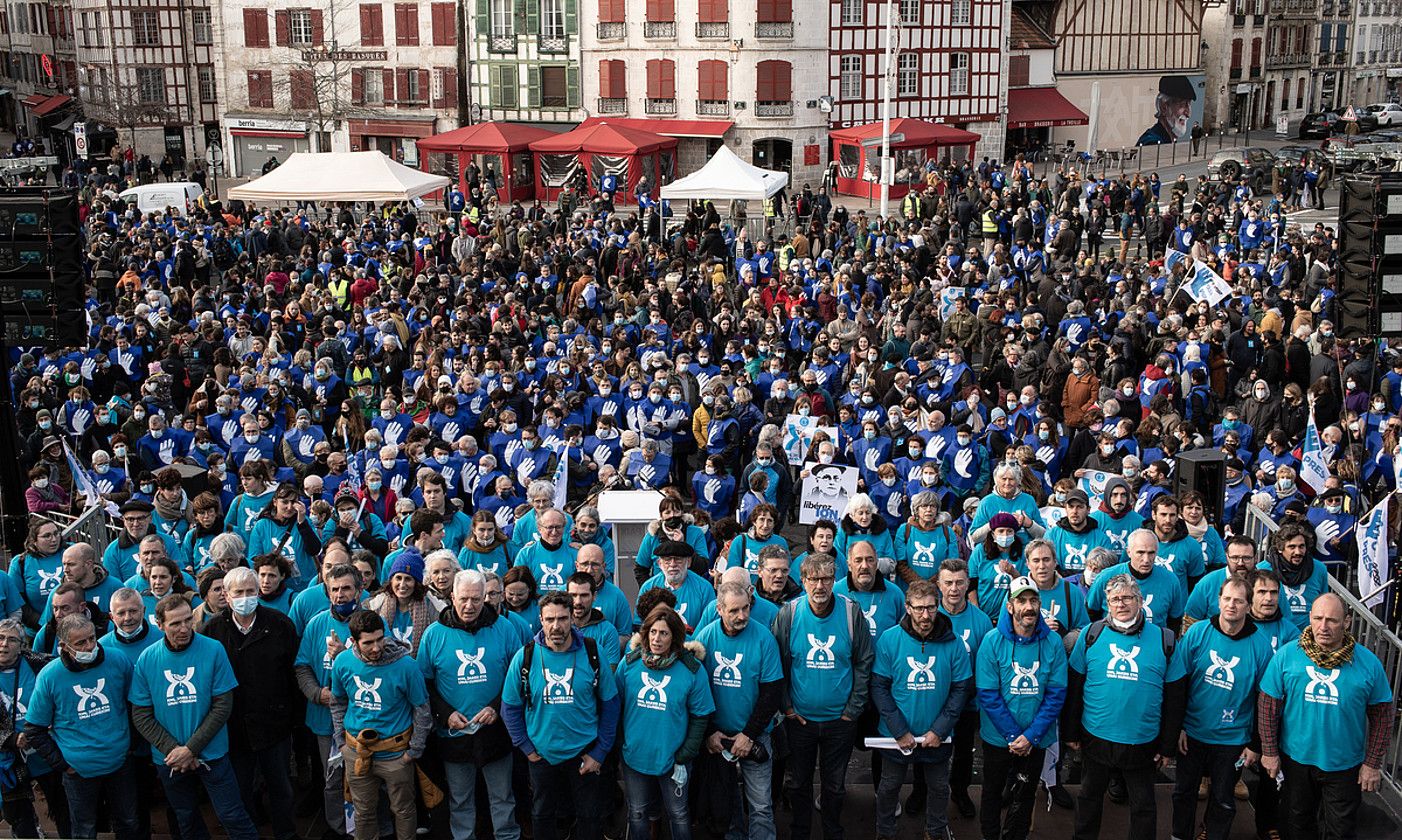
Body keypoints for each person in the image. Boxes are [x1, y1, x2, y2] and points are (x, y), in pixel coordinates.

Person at [1257, 593, 1395, 840]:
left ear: (1347, 622)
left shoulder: (1368, 663)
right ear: (1309, 617)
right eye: (1318, 618)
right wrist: (1269, 752)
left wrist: (1372, 763)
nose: (1323, 626)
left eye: (1332, 620)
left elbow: (1383, 716)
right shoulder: (1288, 655)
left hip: (1345, 765)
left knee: (1341, 830)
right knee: (1297, 824)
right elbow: (1268, 708)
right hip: (1296, 760)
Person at [1064, 574, 1186, 840]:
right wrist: (1070, 732)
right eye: (1115, 599)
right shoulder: (1090, 635)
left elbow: (1176, 697)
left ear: (1140, 601)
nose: (1121, 604)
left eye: (1128, 597)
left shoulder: (1165, 640)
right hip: (1096, 736)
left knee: (1143, 805)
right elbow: (1074, 687)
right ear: (1107, 603)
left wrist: (1167, 745)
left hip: (1142, 741)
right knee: (1088, 796)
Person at [129, 595, 257, 840]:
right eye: (175, 623)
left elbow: (223, 705)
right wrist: (175, 750)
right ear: (160, 624)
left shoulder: (213, 649)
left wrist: (191, 748)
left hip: (213, 754)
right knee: (186, 818)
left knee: (232, 815)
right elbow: (141, 714)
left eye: (188, 620)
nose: (185, 628)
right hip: (170, 759)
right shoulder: (147, 659)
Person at [501, 590, 621, 840]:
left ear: (571, 619)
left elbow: (610, 704)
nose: (556, 626)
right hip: (542, 756)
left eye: (563, 619)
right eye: (550, 619)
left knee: (589, 818)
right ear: (541, 620)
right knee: (544, 817)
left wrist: (599, 753)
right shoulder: (526, 656)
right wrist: (526, 747)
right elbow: (509, 707)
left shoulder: (592, 652)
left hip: (584, 754)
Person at [771, 554, 874, 840]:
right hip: (799, 721)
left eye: (826, 578)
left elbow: (865, 661)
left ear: (835, 580)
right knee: (799, 784)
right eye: (813, 579)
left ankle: (833, 831)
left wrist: (853, 709)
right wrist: (787, 708)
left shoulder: (851, 613)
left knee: (835, 786)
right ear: (802, 581)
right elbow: (775, 665)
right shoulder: (788, 614)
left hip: (840, 723)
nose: (820, 585)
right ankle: (800, 832)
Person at [416, 569, 524, 840]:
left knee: (502, 796)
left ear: (485, 598)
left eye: (476, 599)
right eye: (463, 599)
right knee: (460, 799)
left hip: (496, 730)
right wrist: (445, 714)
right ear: (452, 596)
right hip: (453, 733)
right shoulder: (433, 634)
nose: (469, 606)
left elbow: (520, 676)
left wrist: (497, 707)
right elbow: (425, 684)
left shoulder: (504, 628)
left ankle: (507, 836)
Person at [1169, 574, 1274, 840]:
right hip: (1192, 733)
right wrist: (1177, 726)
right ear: (1218, 601)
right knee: (1183, 792)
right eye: (1227, 599)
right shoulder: (1197, 633)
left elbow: (1265, 700)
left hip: (1233, 739)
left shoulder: (1261, 647)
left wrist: (1255, 744)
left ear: (1249, 606)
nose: (1231, 605)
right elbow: (1178, 683)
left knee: (1223, 798)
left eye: (1239, 601)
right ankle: (1180, 835)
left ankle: (1212, 835)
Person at [203, 567, 302, 840]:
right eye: (239, 592)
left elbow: (294, 672)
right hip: (233, 727)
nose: (245, 597)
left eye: (250, 591)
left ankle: (286, 833)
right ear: (226, 595)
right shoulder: (212, 630)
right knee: (241, 788)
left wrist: (292, 718)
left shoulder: (280, 624)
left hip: (275, 724)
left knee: (280, 786)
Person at [869, 579, 972, 840]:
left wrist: (939, 730)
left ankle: (935, 831)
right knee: (889, 787)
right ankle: (885, 832)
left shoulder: (954, 643)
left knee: (939, 788)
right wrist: (899, 730)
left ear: (938, 607)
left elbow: (960, 690)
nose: (925, 615)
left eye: (931, 608)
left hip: (937, 737)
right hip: (896, 737)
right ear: (907, 607)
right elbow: (879, 688)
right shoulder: (889, 639)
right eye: (919, 608)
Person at [22, 614, 139, 840]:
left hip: (120, 764)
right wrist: (64, 765)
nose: (89, 646)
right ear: (63, 646)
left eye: (92, 639)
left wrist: (130, 746)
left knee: (129, 823)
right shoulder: (50, 676)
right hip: (79, 772)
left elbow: (136, 705)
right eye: (80, 643)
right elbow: (34, 729)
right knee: (84, 830)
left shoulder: (118, 660)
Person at [974, 576, 1068, 840]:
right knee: (992, 792)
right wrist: (1015, 736)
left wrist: (1031, 736)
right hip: (998, 738)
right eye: (1022, 601)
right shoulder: (992, 641)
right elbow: (988, 694)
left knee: (1025, 795)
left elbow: (1056, 694)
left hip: (1036, 739)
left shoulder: (1053, 643)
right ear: (1010, 606)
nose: (1029, 607)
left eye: (1033, 600)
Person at [330, 609, 433, 840]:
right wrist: (341, 743)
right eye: (368, 643)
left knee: (404, 811)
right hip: (357, 752)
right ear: (355, 641)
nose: (376, 648)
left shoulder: (406, 666)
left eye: (380, 639)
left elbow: (422, 709)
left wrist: (414, 750)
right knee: (363, 812)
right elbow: (337, 702)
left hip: (396, 754)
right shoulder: (344, 662)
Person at [693, 580, 784, 840]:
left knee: (761, 805)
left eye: (745, 608)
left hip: (754, 736)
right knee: (727, 805)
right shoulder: (706, 638)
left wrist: (749, 734)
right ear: (719, 609)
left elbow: (771, 692)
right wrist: (710, 733)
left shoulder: (764, 639)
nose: (742, 616)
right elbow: (696, 693)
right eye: (733, 610)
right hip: (718, 740)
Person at [615, 606, 714, 840]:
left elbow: (701, 716)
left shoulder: (692, 669)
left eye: (664, 633)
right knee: (637, 813)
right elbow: (614, 707)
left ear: (676, 637)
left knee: (678, 814)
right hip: (634, 756)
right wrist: (621, 743)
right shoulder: (629, 664)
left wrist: (685, 754)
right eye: (653, 632)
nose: (657, 639)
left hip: (674, 759)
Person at [293, 562, 363, 838]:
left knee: (364, 778)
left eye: (346, 588)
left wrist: (345, 652)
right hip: (325, 720)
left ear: (359, 591)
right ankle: (338, 827)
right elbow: (301, 666)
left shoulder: (370, 621)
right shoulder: (316, 623)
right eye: (334, 589)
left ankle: (365, 827)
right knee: (332, 778)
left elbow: (383, 664)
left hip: (363, 718)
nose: (340, 595)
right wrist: (316, 692)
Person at [1137, 75, 1197, 145]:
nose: (1188, 113)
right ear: (1164, 107)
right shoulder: (1153, 143)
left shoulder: (1167, 139)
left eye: (1189, 104)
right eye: (1183, 104)